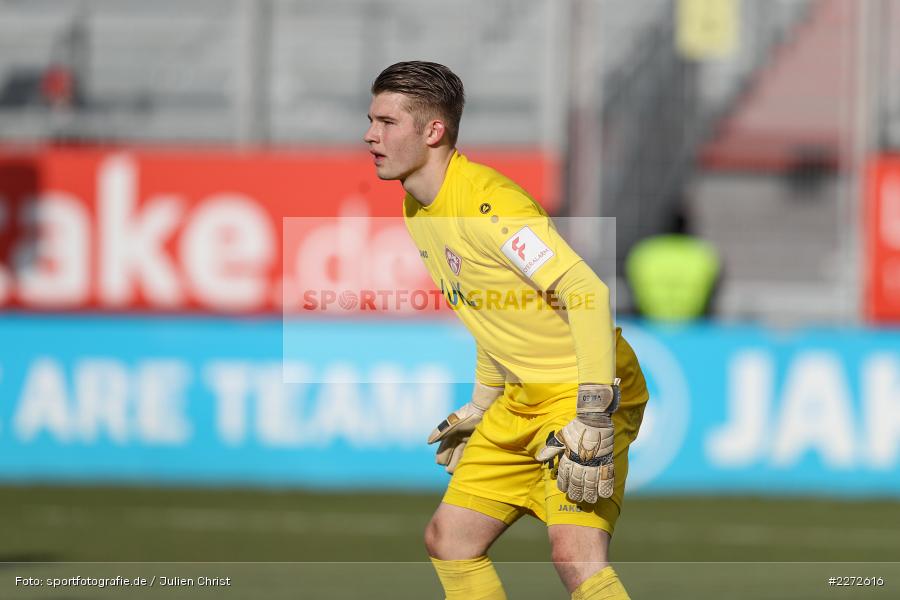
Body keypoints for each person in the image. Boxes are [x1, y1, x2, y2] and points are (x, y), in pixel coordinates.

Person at [364, 61, 649, 600]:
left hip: (581, 390)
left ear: (433, 131)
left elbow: (585, 292)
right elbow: (489, 307)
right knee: (450, 541)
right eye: (371, 120)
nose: (370, 135)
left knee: (575, 556)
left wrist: (593, 408)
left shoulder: (491, 207)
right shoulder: (417, 206)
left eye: (386, 122)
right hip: (521, 397)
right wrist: (483, 400)